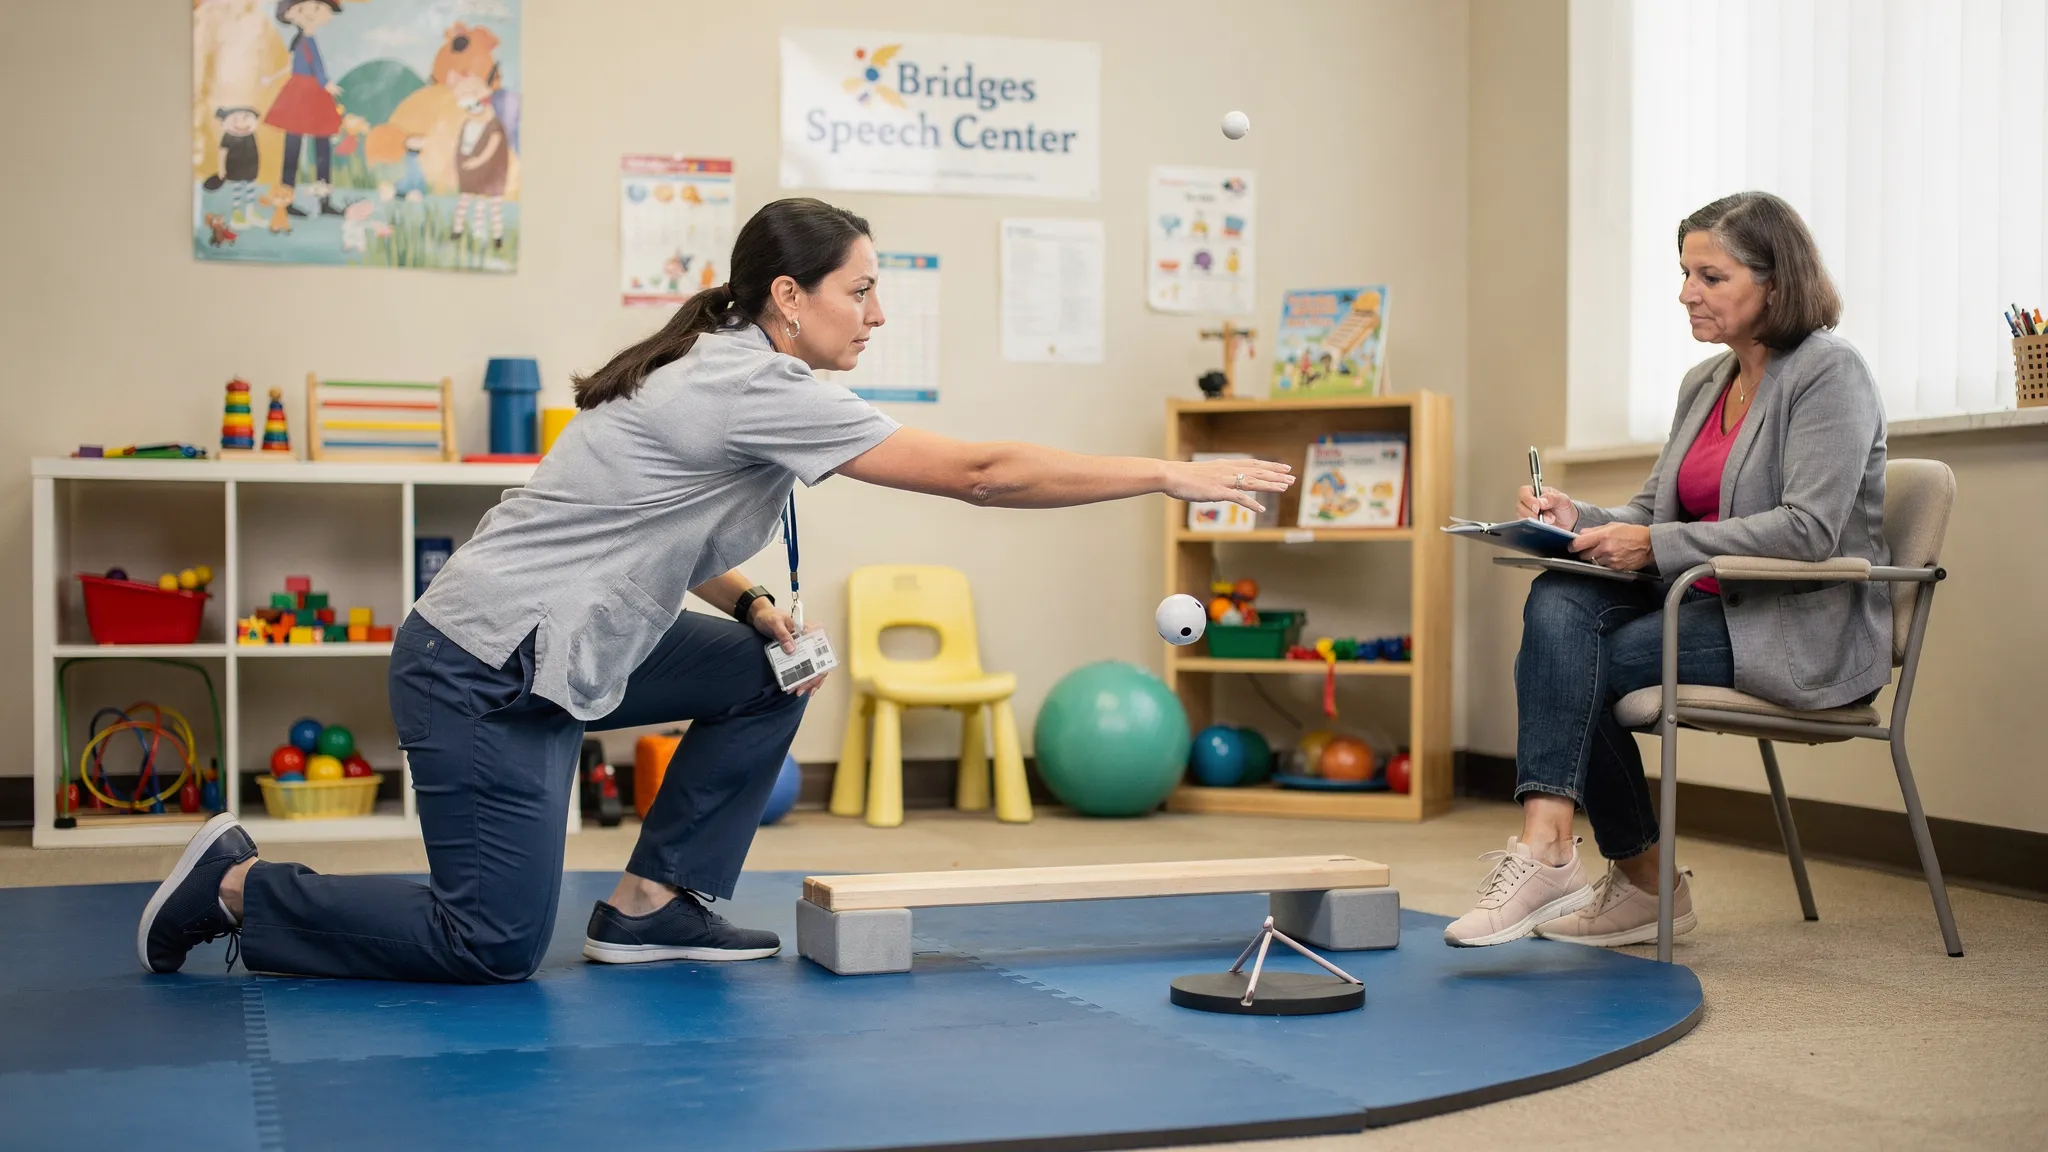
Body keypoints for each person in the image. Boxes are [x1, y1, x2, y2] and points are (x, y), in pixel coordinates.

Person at [137, 197, 1295, 983]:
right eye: (862, 290)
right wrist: (1163, 473)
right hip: (480, 671)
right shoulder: (750, 385)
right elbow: (981, 479)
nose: (878, 312)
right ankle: (239, 885)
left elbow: (663, 532)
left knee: (774, 666)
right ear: (789, 297)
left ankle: (651, 905)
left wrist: (749, 605)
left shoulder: (731, 364)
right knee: (487, 944)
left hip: (566, 651)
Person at [1443, 191, 1889, 949]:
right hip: (1703, 603)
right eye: (1685, 273)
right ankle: (1554, 848)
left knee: (1586, 662)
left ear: (1775, 283)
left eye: (1710, 277)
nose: (1687, 293)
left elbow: (1811, 531)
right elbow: (1654, 509)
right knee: (1559, 599)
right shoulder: (1705, 382)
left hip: (1795, 623)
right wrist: (1574, 518)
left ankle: (1635, 875)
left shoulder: (1829, 373)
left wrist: (1654, 547)